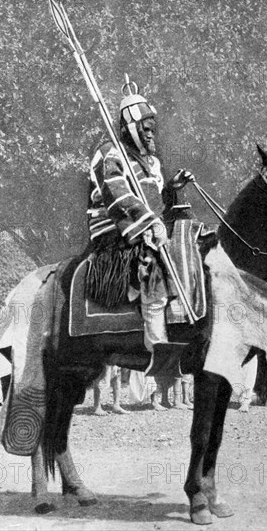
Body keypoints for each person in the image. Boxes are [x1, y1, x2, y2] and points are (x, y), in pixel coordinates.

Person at [86, 76, 195, 397]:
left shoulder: (151, 164)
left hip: (144, 233)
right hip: (114, 234)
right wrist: (149, 223)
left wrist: (169, 189)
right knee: (155, 278)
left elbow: (154, 202)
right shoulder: (109, 153)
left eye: (152, 127)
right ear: (129, 126)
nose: (150, 133)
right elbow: (119, 197)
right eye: (144, 127)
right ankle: (155, 354)